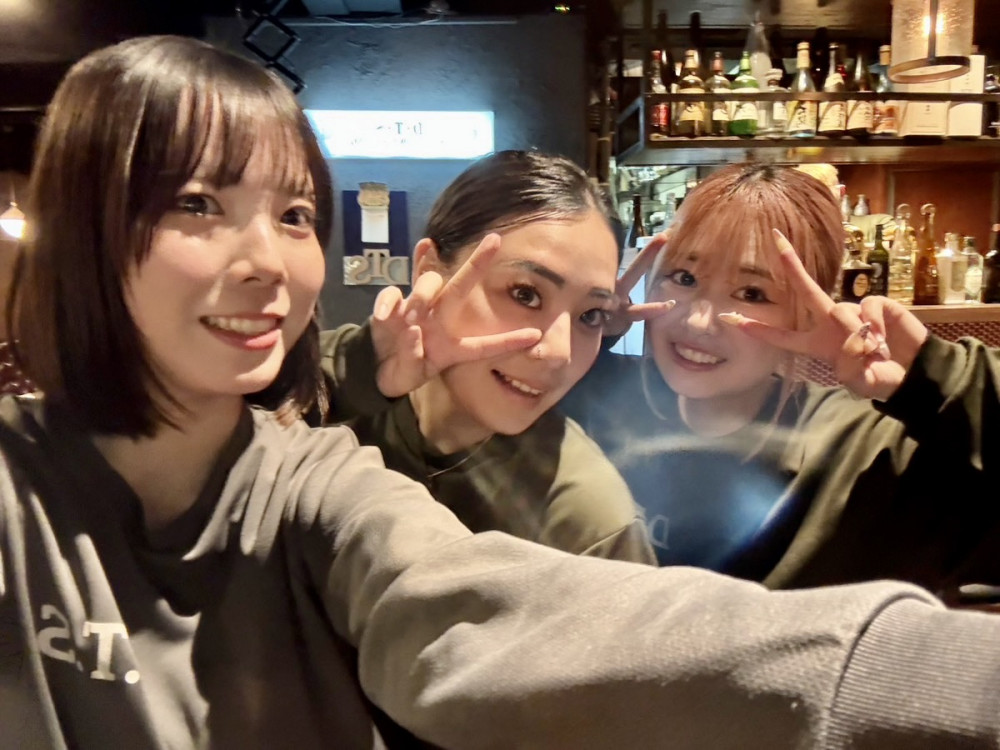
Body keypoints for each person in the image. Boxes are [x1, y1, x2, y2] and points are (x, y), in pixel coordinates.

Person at [6, 34, 1000, 750]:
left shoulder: (353, 488)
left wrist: (927, 378)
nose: (553, 349)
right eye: (196, 204)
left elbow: (518, 621)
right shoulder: (539, 390)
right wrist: (375, 376)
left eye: (297, 214)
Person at [559, 162, 999, 599]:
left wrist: (931, 374)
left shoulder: (864, 452)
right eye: (684, 277)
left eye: (752, 293)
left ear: (808, 310)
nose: (699, 321)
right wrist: (583, 328)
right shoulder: (595, 396)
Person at [319, 151, 656, 564]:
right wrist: (360, 371)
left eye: (590, 315)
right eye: (525, 294)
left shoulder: (589, 529)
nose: (558, 353)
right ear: (429, 270)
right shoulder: (316, 390)